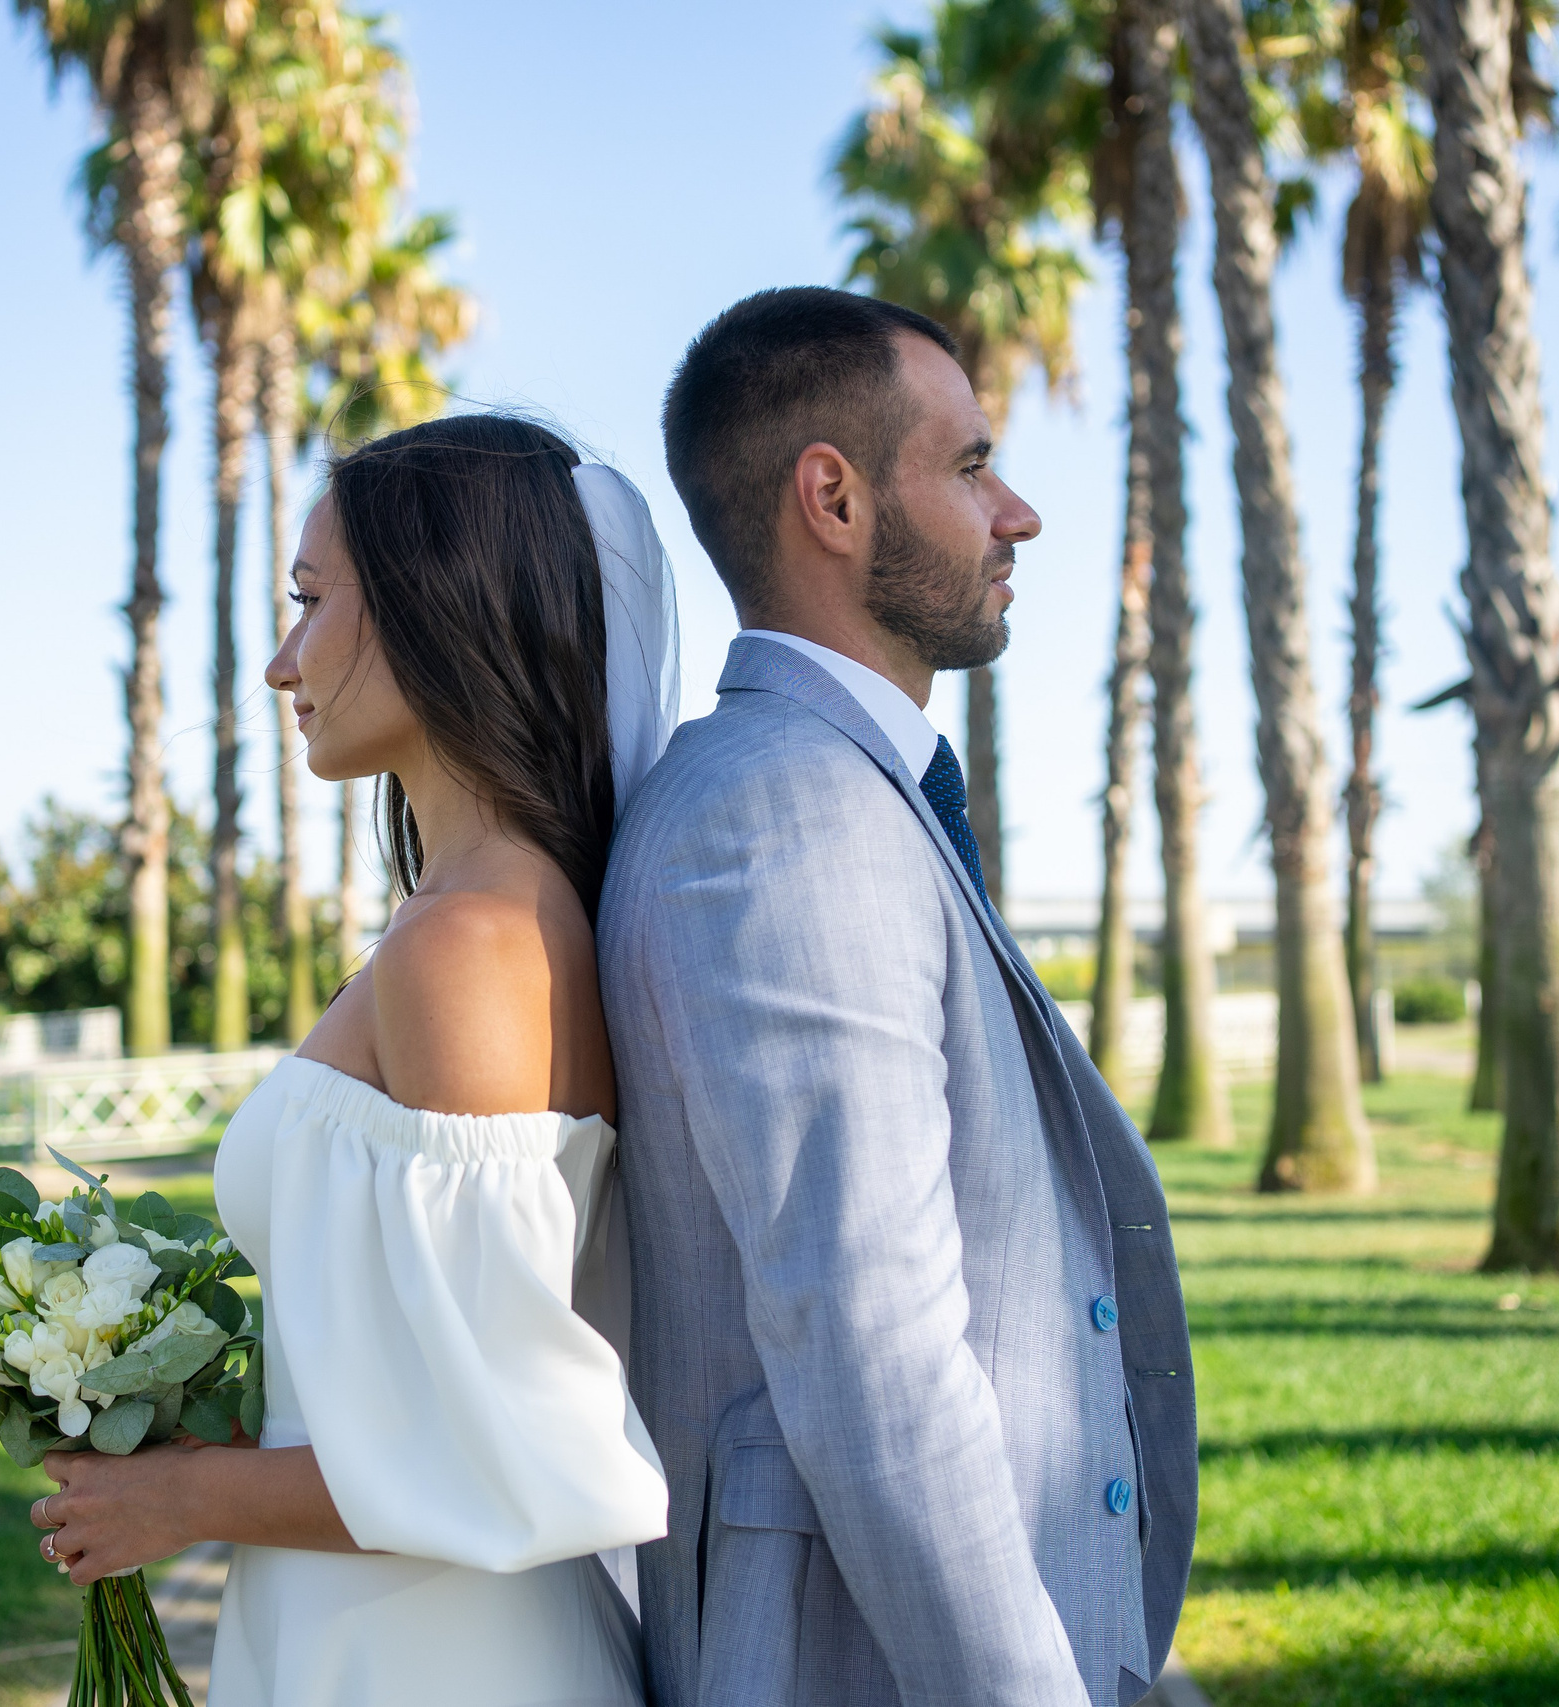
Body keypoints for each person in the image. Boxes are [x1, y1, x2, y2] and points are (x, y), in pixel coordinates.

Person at [597, 286, 1198, 1707]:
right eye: (973, 465)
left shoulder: (836, 790)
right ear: (835, 499)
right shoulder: (789, 814)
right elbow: (875, 1351)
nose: (1018, 515)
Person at [27, 414, 682, 1706]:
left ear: (442, 609)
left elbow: (506, 1446)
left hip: (449, 1659)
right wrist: (194, 1418)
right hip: (374, 1627)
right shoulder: (455, 924)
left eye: (310, 601)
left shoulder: (472, 946)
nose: (283, 663)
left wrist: (183, 1501)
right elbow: (407, 1372)